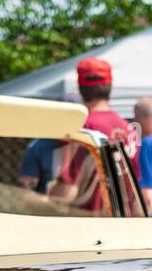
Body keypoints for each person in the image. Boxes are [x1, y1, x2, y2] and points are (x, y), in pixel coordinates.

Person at [49, 57, 139, 212]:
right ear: (110, 86)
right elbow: (137, 191)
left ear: (80, 87)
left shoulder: (81, 128)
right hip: (121, 224)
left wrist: (42, 199)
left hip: (88, 225)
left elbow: (67, 191)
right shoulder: (129, 129)